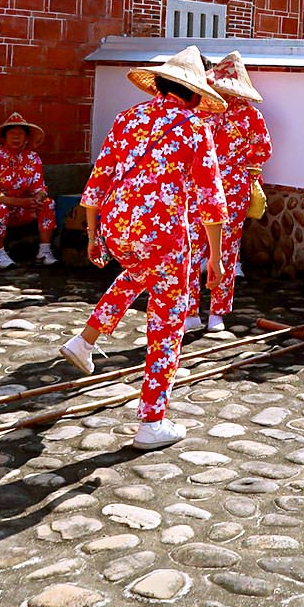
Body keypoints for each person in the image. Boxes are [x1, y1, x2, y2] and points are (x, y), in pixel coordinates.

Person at [59, 46, 226, 451]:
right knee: (167, 324)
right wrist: (217, 259)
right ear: (193, 91)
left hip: (119, 226)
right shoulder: (194, 126)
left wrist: (93, 234)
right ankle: (152, 420)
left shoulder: (127, 118)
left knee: (135, 275)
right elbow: (210, 199)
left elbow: (99, 180)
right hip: (164, 234)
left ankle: (85, 340)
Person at [183, 52, 272, 333]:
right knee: (202, 248)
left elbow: (263, 150)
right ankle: (200, 312)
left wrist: (236, 167)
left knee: (216, 249)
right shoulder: (204, 110)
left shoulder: (243, 114)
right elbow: (262, 151)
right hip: (209, 186)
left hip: (222, 188)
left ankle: (209, 313)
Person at [0, 112, 57, 269]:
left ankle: (44, 251)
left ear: (27, 138)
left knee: (48, 204)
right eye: (12, 133)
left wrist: (38, 198)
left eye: (20, 133)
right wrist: (21, 202)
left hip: (20, 209)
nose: (16, 137)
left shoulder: (32, 158)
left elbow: (39, 186)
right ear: (4, 137)